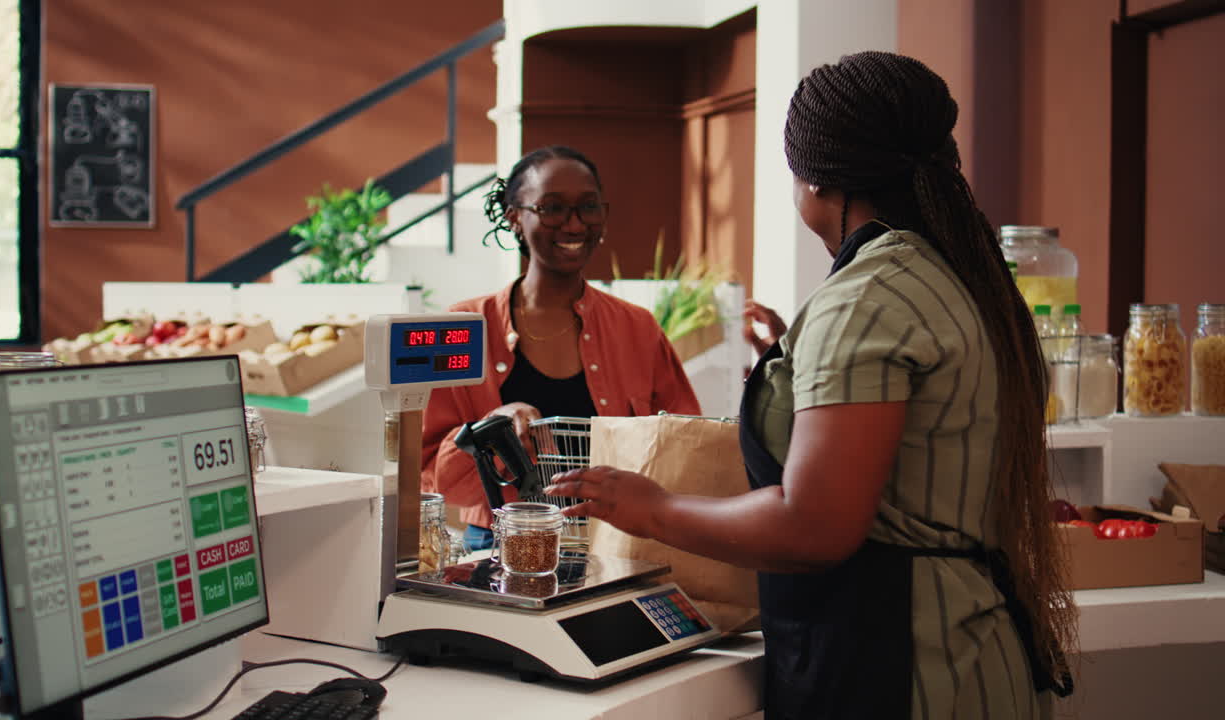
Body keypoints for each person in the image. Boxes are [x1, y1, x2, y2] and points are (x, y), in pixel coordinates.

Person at [547, 52, 1076, 719]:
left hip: (904, 672)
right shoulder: (959, 276)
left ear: (816, 178)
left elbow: (814, 526)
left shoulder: (867, 297)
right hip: (978, 659)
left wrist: (653, 509)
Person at [421, 145, 701, 550]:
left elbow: (684, 449)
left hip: (618, 545)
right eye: (552, 208)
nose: (574, 224)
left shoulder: (638, 328)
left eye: (588, 207)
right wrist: (490, 430)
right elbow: (433, 478)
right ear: (514, 217)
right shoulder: (464, 327)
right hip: (500, 545)